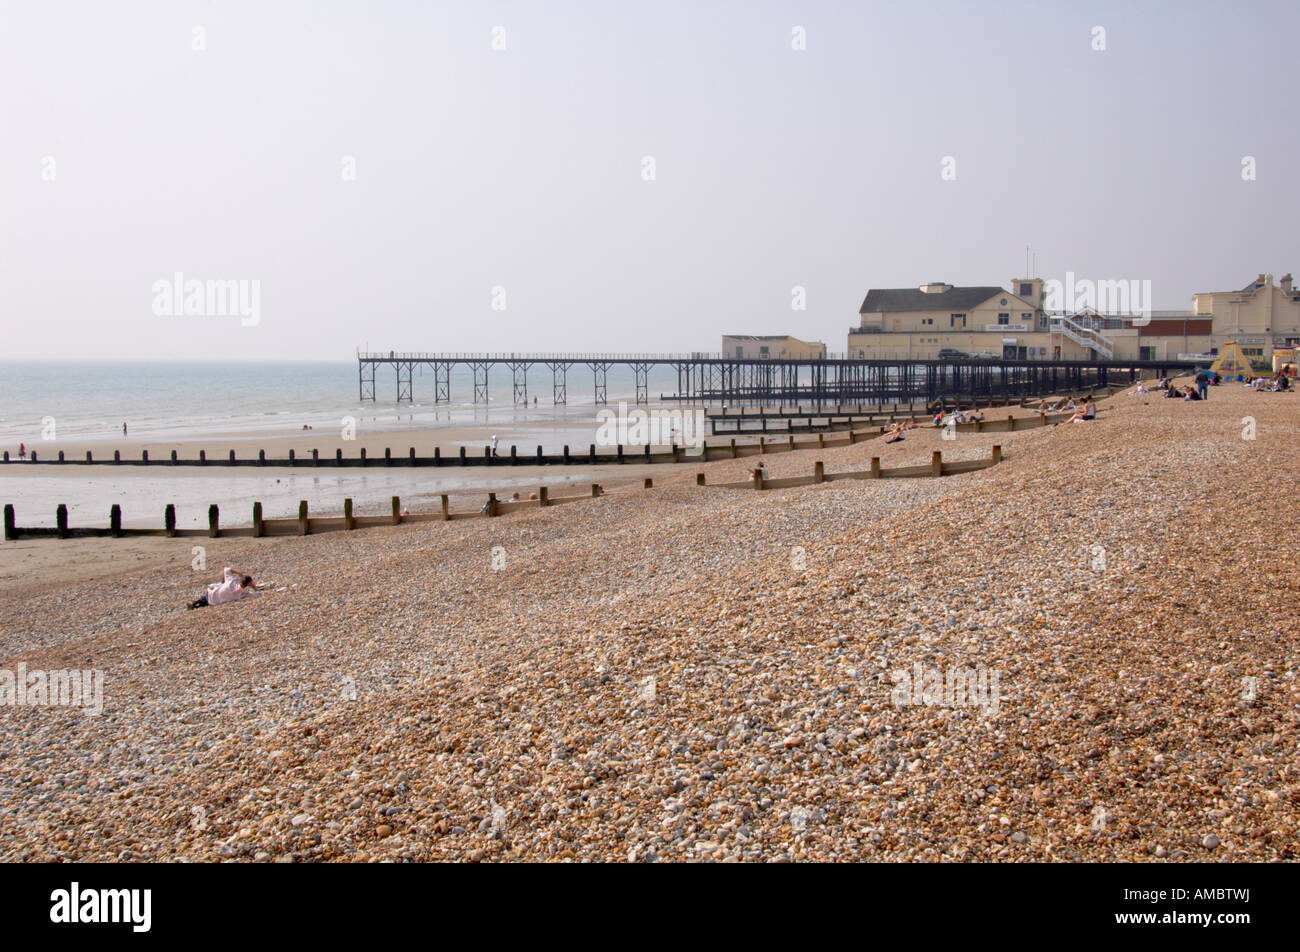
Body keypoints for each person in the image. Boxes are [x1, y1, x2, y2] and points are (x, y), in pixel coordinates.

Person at [188, 566, 260, 609]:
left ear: (240, 580)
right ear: (247, 585)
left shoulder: (231, 582)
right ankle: (198, 605)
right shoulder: (242, 594)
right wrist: (254, 586)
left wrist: (239, 573)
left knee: (208, 595)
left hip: (211, 593)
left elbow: (226, 569)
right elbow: (258, 593)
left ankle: (196, 603)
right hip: (215, 602)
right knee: (208, 601)